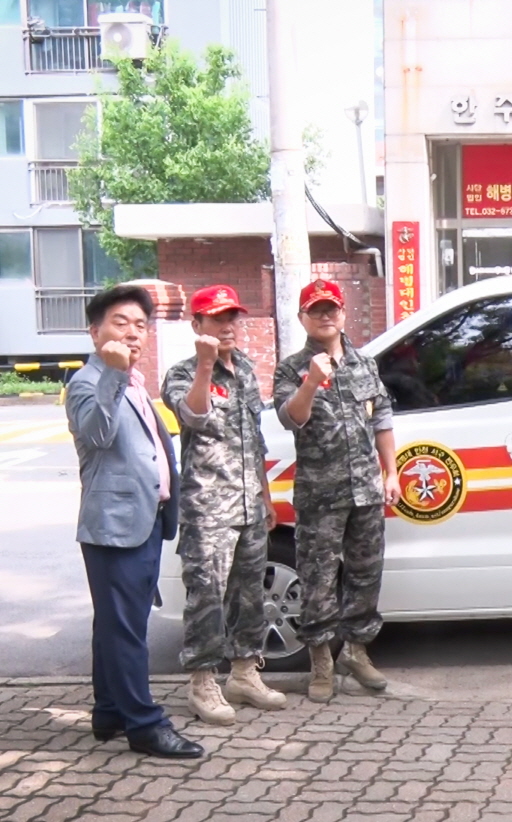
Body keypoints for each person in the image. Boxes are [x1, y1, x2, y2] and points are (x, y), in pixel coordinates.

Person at [66, 285, 203, 759]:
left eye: (140, 325)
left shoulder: (133, 381)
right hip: (113, 526)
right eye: (120, 323)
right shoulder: (87, 382)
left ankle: (109, 712)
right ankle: (145, 726)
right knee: (126, 631)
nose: (132, 333)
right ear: (95, 331)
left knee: (115, 624)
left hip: (143, 520)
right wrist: (113, 373)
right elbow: (97, 434)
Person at [161, 285, 287, 725]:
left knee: (250, 595)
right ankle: (201, 682)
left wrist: (265, 496)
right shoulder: (181, 373)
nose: (227, 325)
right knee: (207, 597)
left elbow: (254, 439)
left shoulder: (247, 369)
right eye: (217, 318)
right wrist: (205, 364)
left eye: (232, 317)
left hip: (249, 503)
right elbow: (193, 416)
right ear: (197, 324)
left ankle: (244, 674)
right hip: (208, 509)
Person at [274, 280, 401, 702]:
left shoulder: (365, 365)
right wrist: (311, 382)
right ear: (303, 318)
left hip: (366, 489)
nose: (326, 316)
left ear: (344, 313)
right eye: (316, 310)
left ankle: (356, 652)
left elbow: (382, 419)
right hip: (320, 495)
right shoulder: (291, 369)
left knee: (366, 573)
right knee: (318, 579)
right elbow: (290, 419)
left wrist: (391, 472)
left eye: (332, 308)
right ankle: (321, 663)